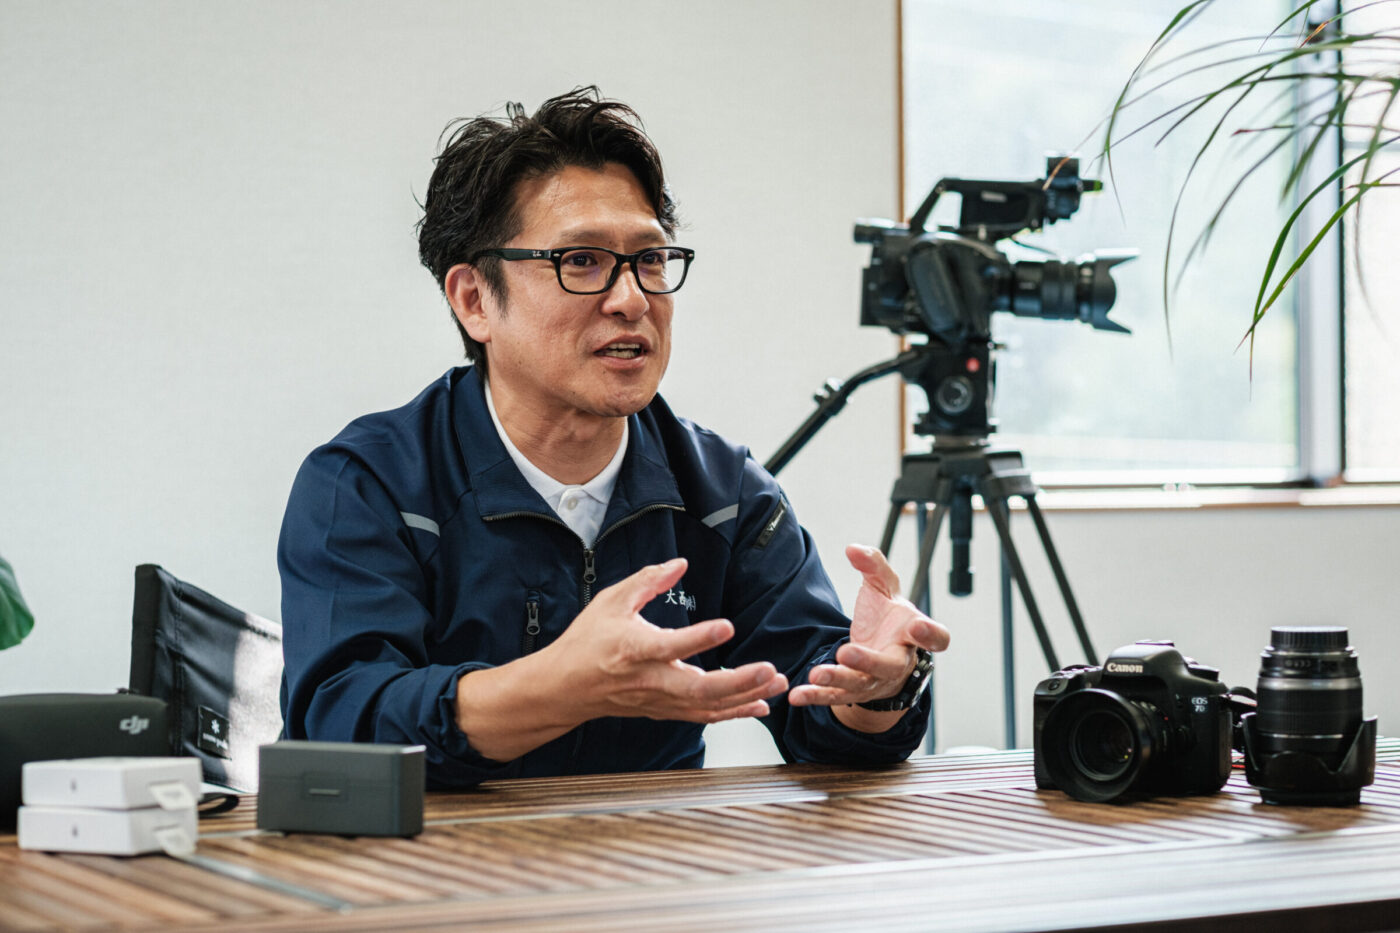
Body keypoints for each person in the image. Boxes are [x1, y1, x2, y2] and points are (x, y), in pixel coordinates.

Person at [278, 87, 950, 787]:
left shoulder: (722, 491)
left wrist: (876, 688)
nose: (632, 299)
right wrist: (559, 689)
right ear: (475, 300)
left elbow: (822, 706)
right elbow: (342, 723)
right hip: (429, 853)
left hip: (649, 852)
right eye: (581, 261)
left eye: (650, 261)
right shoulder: (369, 482)